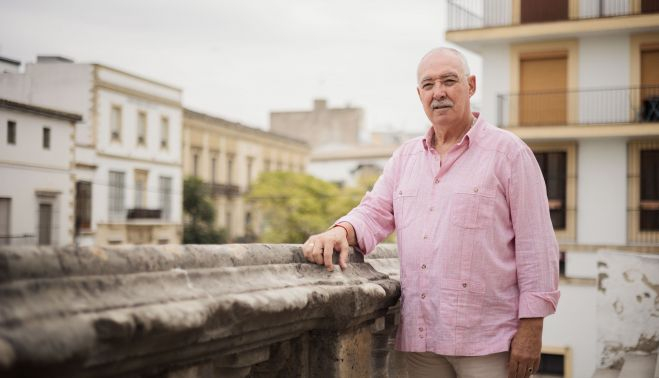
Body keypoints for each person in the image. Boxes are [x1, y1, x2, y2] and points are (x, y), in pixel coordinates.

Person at [302, 47, 560, 378]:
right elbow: (375, 210)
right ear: (419, 94)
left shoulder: (509, 154)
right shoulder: (405, 158)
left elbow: (537, 247)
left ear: (471, 86)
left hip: (490, 343)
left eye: (449, 81)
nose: (438, 92)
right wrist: (340, 231)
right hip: (422, 341)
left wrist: (531, 330)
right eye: (428, 85)